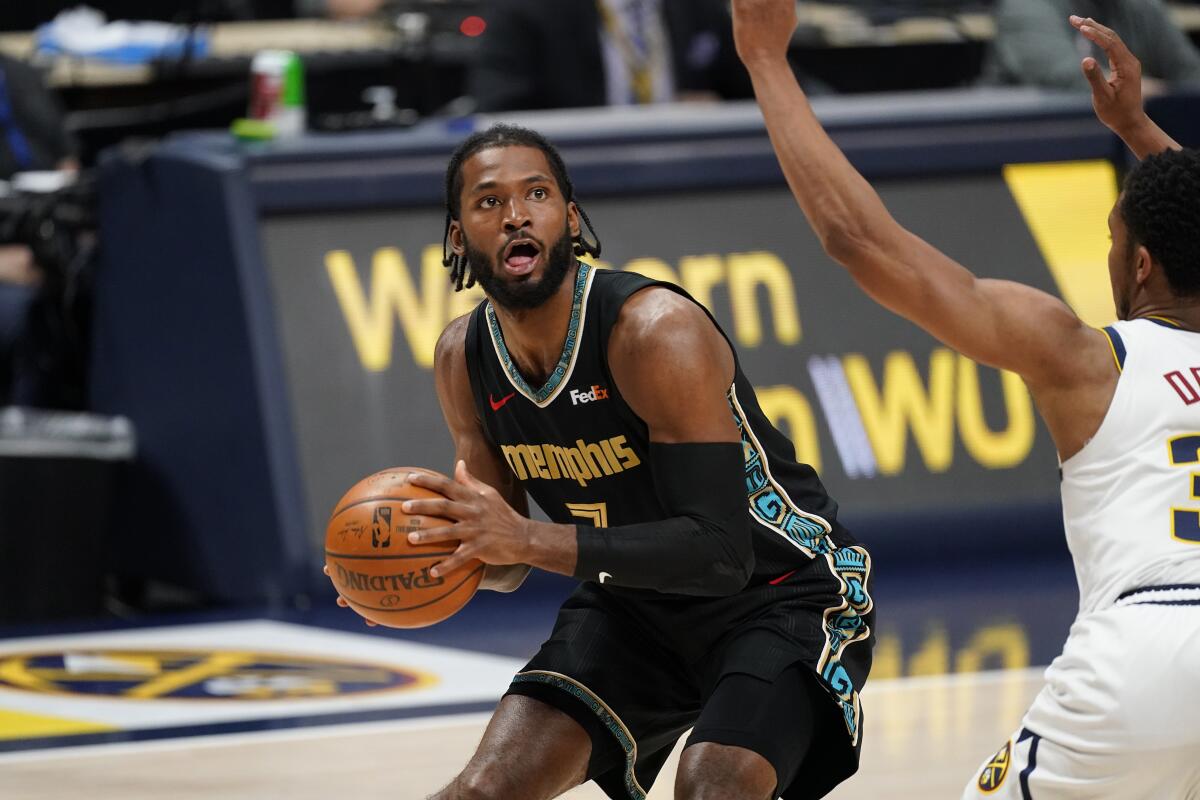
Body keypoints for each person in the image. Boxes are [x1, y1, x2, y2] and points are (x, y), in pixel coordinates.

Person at [730, 0, 1200, 796]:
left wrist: (767, 62)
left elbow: (862, 243)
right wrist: (1139, 134)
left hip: (1146, 645)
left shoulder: (1088, 358)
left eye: (1115, 239)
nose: (1111, 251)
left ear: (1142, 265)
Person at [328, 124, 876, 797]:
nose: (517, 214)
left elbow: (720, 554)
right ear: (456, 238)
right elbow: (501, 560)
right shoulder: (462, 358)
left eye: (537, 194)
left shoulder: (653, 331)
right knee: (481, 791)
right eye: (489, 202)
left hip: (780, 593)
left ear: (571, 218)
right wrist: (410, 566)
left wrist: (527, 538)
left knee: (715, 786)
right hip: (634, 607)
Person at [467, 0, 756, 112]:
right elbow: (498, 113)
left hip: (690, 175)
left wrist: (720, 110)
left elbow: (768, 87)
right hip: (572, 182)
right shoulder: (524, 12)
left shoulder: (700, 10)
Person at [986, 0, 1200, 90]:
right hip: (1036, 150)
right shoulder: (1027, 7)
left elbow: (1192, 77)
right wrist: (1159, 95)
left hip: (1123, 148)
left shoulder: (1141, 7)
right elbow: (1065, 78)